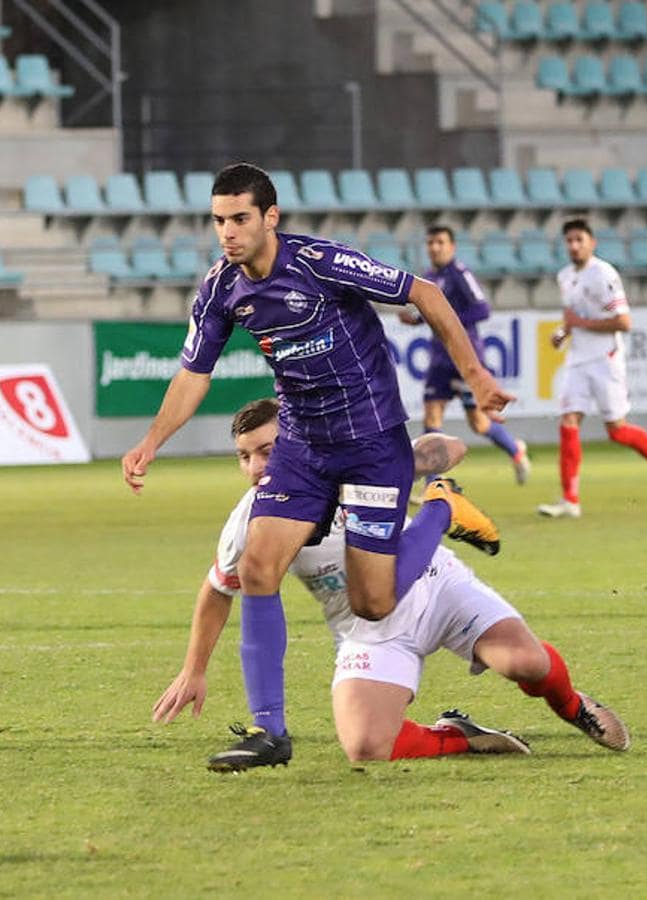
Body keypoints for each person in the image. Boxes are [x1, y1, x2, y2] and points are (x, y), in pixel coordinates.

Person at [122, 163, 511, 754]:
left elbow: (425, 293)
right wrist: (152, 441)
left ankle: (439, 507)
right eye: (218, 221)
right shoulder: (220, 289)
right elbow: (192, 373)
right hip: (302, 446)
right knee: (257, 567)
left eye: (239, 219)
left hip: (373, 442)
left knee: (372, 601)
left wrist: (477, 376)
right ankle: (269, 732)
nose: (227, 232)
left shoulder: (320, 262)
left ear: (269, 217)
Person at [152, 399, 630, 768]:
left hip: (436, 587)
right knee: (365, 746)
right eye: (244, 457)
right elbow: (218, 588)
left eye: (268, 451)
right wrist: (194, 669)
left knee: (526, 663)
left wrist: (415, 461)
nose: (256, 467)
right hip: (368, 630)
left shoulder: (351, 466)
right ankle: (458, 735)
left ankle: (571, 706)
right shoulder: (252, 520)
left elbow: (453, 448)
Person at [537, 218, 647, 518]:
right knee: (568, 421)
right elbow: (572, 315)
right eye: (569, 240)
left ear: (592, 242)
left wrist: (581, 324)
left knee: (616, 430)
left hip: (606, 360)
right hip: (577, 360)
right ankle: (570, 500)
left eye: (580, 240)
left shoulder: (603, 274)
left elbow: (623, 322)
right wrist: (564, 332)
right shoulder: (565, 276)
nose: (574, 246)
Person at [398, 225, 530, 484]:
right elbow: (433, 316)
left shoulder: (460, 274)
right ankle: (432, 484)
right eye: (431, 242)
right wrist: (417, 320)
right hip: (439, 358)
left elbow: (482, 309)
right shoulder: (428, 277)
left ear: (452, 246)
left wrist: (450, 321)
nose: (434, 247)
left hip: (463, 359)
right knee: (432, 417)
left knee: (479, 424)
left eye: (440, 242)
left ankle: (516, 451)